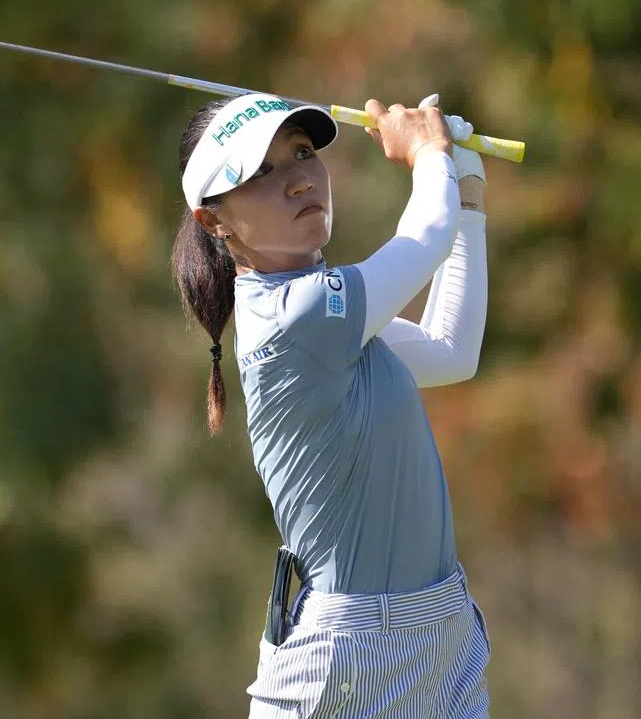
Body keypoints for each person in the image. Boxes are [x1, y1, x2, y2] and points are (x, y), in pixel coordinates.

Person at [170, 91, 492, 718]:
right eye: (260, 173)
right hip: (352, 654)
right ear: (216, 221)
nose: (296, 181)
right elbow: (423, 240)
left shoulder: (333, 314)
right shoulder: (301, 318)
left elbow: (452, 351)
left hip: (441, 629)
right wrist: (429, 156)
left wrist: (467, 190)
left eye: (302, 153)